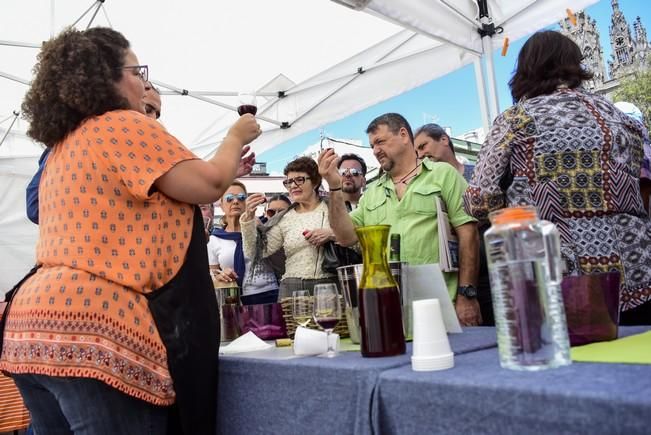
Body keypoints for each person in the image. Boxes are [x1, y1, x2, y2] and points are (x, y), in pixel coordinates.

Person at [0, 27, 260, 434]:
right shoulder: (123, 125)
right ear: (104, 76)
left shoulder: (65, 145)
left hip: (30, 332)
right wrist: (235, 135)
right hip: (93, 329)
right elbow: (209, 184)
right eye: (136, 70)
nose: (143, 82)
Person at [463, 30, 651, 325]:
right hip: (635, 273)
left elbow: (480, 199)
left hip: (556, 275)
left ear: (526, 69)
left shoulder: (516, 120)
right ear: (576, 65)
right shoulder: (626, 121)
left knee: (568, 368)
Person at [319, 113, 482, 326]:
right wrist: (333, 187)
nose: (376, 150)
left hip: (444, 305)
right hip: (392, 309)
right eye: (372, 145)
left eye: (380, 141)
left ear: (404, 135)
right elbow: (345, 236)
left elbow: (468, 233)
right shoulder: (373, 192)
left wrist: (466, 294)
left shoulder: (443, 174)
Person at [25, 80, 163, 224]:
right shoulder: (79, 138)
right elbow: (35, 206)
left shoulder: (147, 149)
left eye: (157, 114)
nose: (153, 119)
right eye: (148, 109)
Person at [241, 156, 338, 297]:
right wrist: (248, 220)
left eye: (299, 180)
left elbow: (355, 241)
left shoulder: (334, 207)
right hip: (292, 291)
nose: (293, 186)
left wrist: (331, 234)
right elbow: (256, 252)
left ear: (316, 182)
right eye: (288, 182)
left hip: (330, 287)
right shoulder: (284, 218)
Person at [209, 181, 280, 305]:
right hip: (233, 298)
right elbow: (212, 272)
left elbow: (277, 257)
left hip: (268, 294)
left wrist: (260, 229)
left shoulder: (261, 227)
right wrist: (220, 275)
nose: (235, 202)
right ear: (221, 205)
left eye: (241, 198)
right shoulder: (215, 239)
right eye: (229, 198)